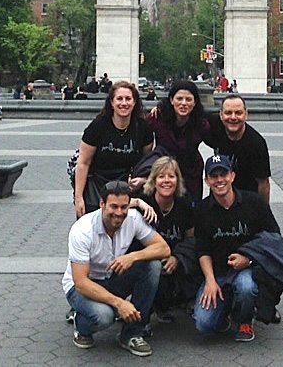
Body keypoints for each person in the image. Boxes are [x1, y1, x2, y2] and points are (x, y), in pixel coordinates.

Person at [62, 180, 170, 357]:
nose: (119, 213)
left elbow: (164, 249)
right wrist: (120, 303)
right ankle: (81, 326)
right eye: (114, 206)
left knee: (153, 265)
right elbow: (81, 282)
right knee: (105, 316)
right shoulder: (82, 230)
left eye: (124, 207)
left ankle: (132, 334)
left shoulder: (133, 218)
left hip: (111, 277)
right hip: (82, 286)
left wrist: (132, 257)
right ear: (102, 204)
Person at [193, 154, 281, 343]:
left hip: (247, 270)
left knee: (246, 287)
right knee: (203, 324)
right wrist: (210, 280)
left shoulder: (254, 203)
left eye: (223, 174)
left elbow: (274, 237)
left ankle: (244, 320)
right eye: (214, 176)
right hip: (218, 273)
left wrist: (249, 259)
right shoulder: (202, 210)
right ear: (207, 181)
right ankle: (226, 311)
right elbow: (202, 249)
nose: (219, 180)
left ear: (232, 176)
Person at [130, 156, 197, 321]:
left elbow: (191, 238)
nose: (166, 181)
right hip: (146, 258)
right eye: (161, 176)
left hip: (173, 259)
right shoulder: (144, 199)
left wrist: (177, 257)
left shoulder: (184, 202)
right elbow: (114, 204)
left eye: (171, 176)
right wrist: (138, 202)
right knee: (153, 269)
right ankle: (141, 316)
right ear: (153, 181)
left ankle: (176, 302)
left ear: (178, 180)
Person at [74, 81, 154, 218]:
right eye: (119, 99)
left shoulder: (143, 128)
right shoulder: (97, 126)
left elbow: (146, 163)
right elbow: (83, 163)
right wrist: (79, 198)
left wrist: (142, 180)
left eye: (128, 99)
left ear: (135, 102)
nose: (124, 103)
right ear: (111, 102)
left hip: (127, 188)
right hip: (97, 186)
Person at [147, 81, 211, 199]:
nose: (183, 103)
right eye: (179, 99)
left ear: (195, 102)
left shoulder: (202, 124)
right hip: (165, 172)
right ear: (171, 100)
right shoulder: (157, 118)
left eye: (188, 99)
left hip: (191, 174)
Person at [204, 95, 272, 203]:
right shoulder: (215, 128)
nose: (233, 117)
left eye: (238, 113)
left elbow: (263, 184)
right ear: (220, 115)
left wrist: (263, 210)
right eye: (228, 113)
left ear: (246, 114)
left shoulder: (256, 144)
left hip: (246, 201)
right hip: (218, 198)